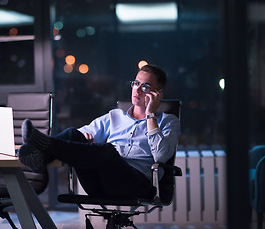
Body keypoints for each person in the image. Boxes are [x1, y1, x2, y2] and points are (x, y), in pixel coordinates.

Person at [18, 64, 180, 199]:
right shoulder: (114, 117)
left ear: (157, 93)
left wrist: (150, 115)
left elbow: (161, 156)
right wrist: (83, 141)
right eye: (136, 83)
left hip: (136, 186)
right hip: (100, 184)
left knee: (108, 151)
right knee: (74, 134)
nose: (137, 90)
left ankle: (41, 145)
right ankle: (40, 156)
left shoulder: (168, 121)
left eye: (145, 86)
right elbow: (76, 138)